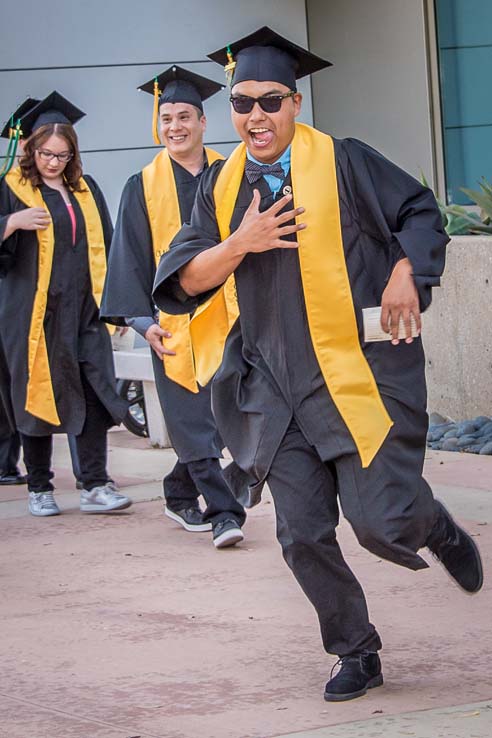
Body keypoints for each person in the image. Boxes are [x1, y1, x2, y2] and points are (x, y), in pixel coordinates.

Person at [152, 27, 483, 701]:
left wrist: (403, 270)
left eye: (270, 101)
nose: (255, 117)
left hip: (355, 374)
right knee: (301, 535)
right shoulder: (220, 188)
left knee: (377, 523)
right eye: (242, 104)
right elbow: (182, 280)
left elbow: (419, 213)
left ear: (295, 104)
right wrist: (239, 243)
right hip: (274, 390)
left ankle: (429, 524)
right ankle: (356, 650)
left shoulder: (344, 163)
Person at [101, 67, 245, 548]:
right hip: (174, 322)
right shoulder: (140, 186)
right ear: (157, 125)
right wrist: (143, 324)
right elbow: (129, 260)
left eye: (184, 116)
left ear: (203, 122)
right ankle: (225, 513)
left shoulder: (234, 173)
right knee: (190, 418)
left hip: (232, 318)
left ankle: (177, 490)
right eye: (166, 119)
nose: (175, 127)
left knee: (226, 418)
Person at [0, 91, 132, 516]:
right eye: (45, 153)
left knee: (94, 396)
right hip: (34, 318)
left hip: (86, 313)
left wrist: (120, 305)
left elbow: (110, 247)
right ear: (31, 148)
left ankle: (95, 484)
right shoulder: (12, 190)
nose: (53, 162)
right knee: (36, 397)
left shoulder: (85, 189)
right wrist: (11, 222)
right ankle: (40, 486)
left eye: (62, 154)